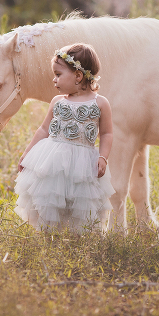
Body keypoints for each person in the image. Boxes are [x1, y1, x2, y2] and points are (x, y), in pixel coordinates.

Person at [14, 43, 115, 232]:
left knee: (80, 205)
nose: (54, 80)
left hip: (83, 164)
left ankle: (78, 239)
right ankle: (49, 237)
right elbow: (44, 129)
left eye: (58, 75)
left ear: (78, 76)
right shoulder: (57, 102)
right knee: (51, 201)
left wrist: (103, 157)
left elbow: (107, 133)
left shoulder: (100, 103)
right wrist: (27, 152)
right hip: (53, 160)